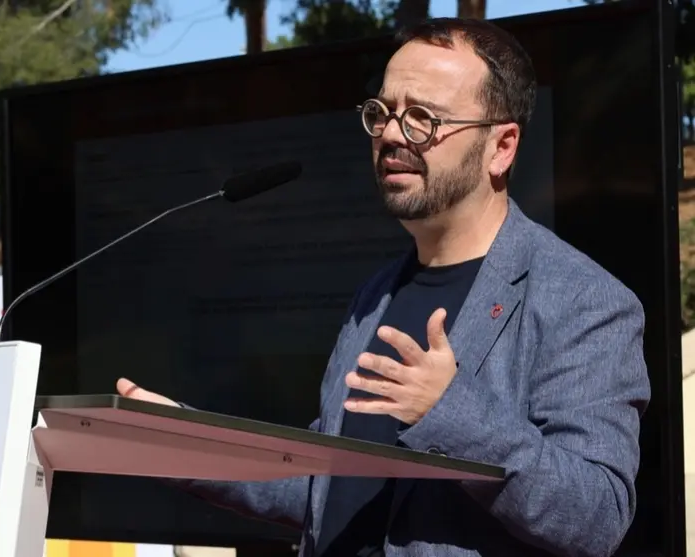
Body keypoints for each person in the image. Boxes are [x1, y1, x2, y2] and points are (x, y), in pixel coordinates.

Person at [116, 17, 650, 557]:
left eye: (422, 118)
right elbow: (329, 489)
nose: (392, 134)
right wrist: (187, 445)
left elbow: (597, 515)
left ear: (502, 146)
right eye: (382, 113)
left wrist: (449, 412)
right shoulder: (377, 294)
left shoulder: (585, 302)